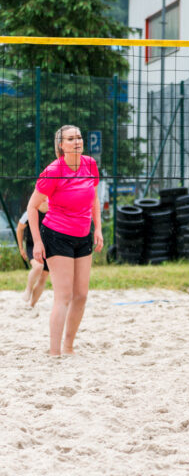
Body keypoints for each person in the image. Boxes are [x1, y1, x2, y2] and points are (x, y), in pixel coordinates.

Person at [27, 125, 103, 356]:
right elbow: (32, 207)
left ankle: (68, 347)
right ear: (61, 145)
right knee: (64, 295)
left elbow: (94, 199)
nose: (77, 141)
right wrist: (38, 243)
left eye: (79, 137)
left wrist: (97, 228)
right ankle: (54, 352)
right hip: (57, 234)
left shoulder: (90, 164)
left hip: (83, 234)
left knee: (81, 295)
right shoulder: (53, 171)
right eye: (71, 139)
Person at [16, 198, 49, 312]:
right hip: (32, 245)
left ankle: (32, 305)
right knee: (38, 267)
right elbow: (19, 229)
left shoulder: (54, 210)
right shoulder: (30, 212)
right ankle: (28, 289)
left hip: (49, 246)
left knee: (43, 277)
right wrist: (21, 248)